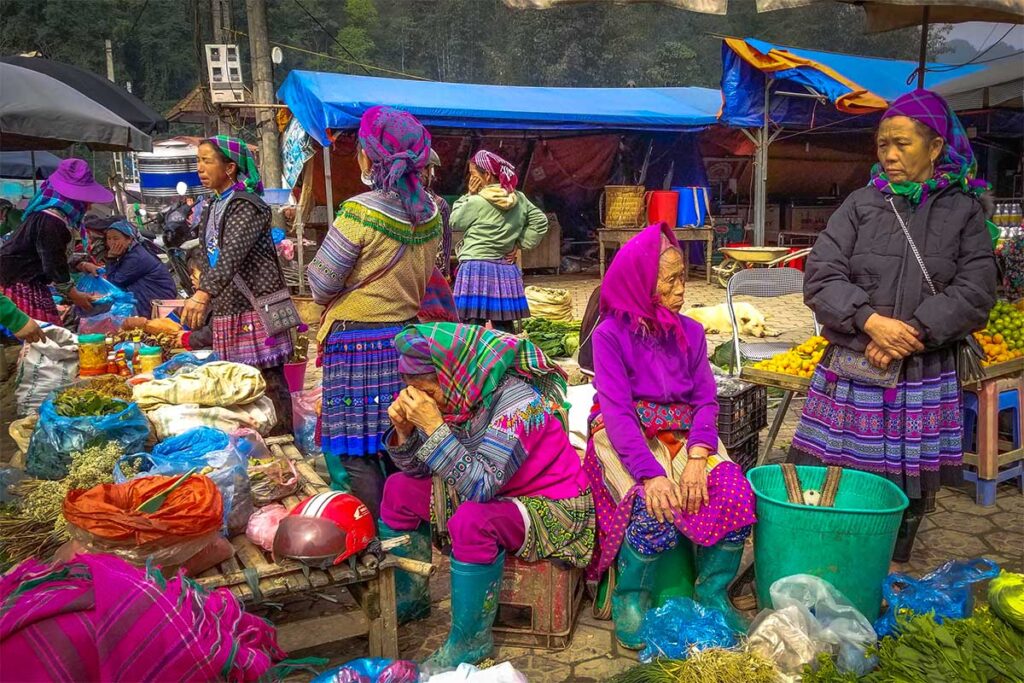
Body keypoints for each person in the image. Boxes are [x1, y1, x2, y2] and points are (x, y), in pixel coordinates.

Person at [791, 89, 997, 562]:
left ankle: (890, 559)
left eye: (902, 143)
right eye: (883, 144)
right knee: (835, 473)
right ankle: (832, 554)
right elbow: (821, 275)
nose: (889, 154)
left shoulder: (965, 211)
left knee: (910, 481)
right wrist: (870, 322)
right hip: (856, 365)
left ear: (935, 147)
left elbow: (976, 292)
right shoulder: (861, 205)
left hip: (923, 372)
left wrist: (912, 334)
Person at [380, 322, 594, 668]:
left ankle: (470, 642)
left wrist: (433, 426)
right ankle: (410, 597)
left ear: (454, 375)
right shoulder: (459, 401)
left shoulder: (517, 404)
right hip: (494, 494)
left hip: (552, 505)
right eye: (412, 391)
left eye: (428, 392)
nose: (423, 400)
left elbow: (481, 486)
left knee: (471, 521)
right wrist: (406, 433)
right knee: (398, 490)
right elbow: (420, 471)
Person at [585, 223, 756, 648]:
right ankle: (631, 597)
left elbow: (706, 401)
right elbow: (618, 412)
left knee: (735, 491)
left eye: (684, 277)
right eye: (671, 279)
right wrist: (650, 474)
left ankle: (712, 592)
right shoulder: (609, 335)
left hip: (686, 432)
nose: (682, 289)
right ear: (642, 283)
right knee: (652, 506)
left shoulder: (692, 332)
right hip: (628, 433)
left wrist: (699, 457)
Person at [307, 106, 441, 518]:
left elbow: (321, 284)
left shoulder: (360, 212)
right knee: (398, 442)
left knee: (357, 453)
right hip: (406, 342)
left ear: (369, 156)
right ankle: (404, 530)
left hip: (355, 347)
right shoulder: (434, 212)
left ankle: (376, 541)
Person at [181, 136, 294, 435]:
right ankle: (251, 436)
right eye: (199, 161)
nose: (200, 168)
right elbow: (208, 256)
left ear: (230, 168)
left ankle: (282, 439)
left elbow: (232, 253)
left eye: (207, 161)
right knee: (237, 381)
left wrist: (204, 293)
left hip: (256, 306)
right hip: (229, 306)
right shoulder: (212, 205)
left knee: (267, 379)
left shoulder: (248, 206)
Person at [0, 159, 112, 323]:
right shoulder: (51, 221)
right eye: (86, 202)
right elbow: (52, 263)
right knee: (38, 341)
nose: (88, 207)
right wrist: (74, 295)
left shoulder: (51, 217)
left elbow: (51, 254)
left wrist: (80, 264)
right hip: (19, 285)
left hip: (26, 281)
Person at [450, 150, 548, 332]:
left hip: (475, 268)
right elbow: (540, 222)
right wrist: (519, 244)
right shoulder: (519, 198)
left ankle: (472, 359)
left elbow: (455, 221)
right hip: (504, 268)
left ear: (486, 175)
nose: (471, 179)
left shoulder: (476, 201)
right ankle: (504, 358)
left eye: (473, 175)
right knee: (504, 327)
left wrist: (469, 195)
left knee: (472, 326)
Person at [78, 220, 177, 318]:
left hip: (158, 297)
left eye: (116, 238)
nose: (112, 243)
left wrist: (111, 258)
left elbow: (115, 282)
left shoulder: (136, 257)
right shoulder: (130, 253)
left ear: (129, 239)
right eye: (109, 239)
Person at [422, 149, 453, 279]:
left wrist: (446, 271)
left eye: (425, 168)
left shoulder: (440, 204)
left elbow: (446, 240)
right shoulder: (393, 201)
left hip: (432, 272)